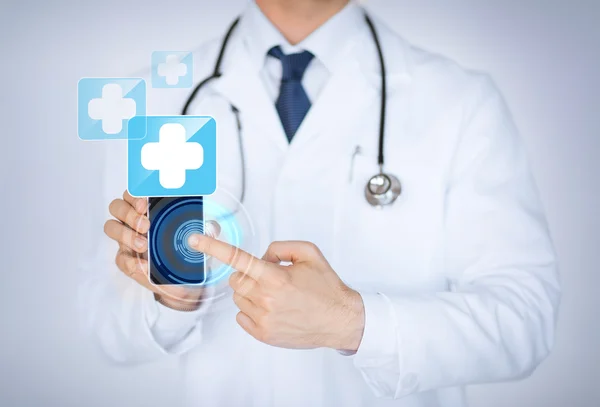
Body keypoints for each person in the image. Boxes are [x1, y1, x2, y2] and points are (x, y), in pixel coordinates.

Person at [81, 0, 561, 406]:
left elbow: (525, 320)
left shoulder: (459, 100)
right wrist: (172, 297)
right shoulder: (159, 99)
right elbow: (107, 329)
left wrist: (351, 323)